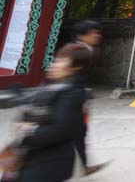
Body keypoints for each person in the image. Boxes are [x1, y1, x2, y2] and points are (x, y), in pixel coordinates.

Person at [15, 44, 91, 181]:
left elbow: (61, 129)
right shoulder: (50, 86)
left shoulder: (73, 93)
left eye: (62, 61)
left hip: (50, 162)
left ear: (76, 67)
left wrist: (30, 130)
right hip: (32, 154)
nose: (55, 64)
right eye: (57, 60)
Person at [71, 20, 109, 176]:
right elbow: (68, 78)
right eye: (94, 32)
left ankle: (85, 165)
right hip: (70, 99)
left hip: (74, 98)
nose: (97, 35)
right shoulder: (77, 52)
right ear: (83, 35)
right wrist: (77, 101)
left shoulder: (87, 50)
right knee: (73, 132)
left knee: (79, 132)